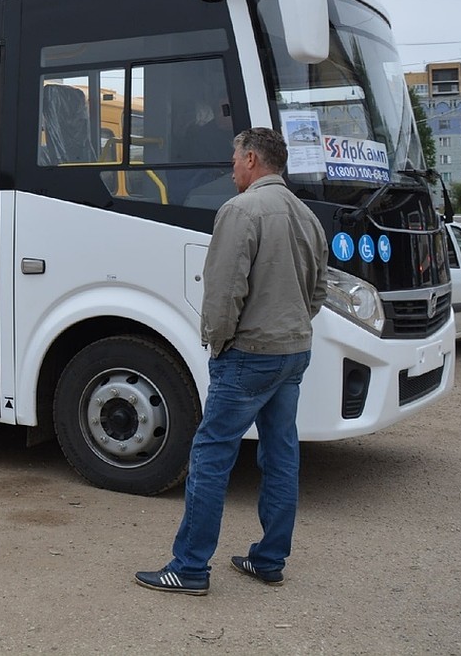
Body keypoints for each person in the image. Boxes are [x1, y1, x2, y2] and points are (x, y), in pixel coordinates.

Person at [134, 128, 328, 595]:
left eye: (235, 158)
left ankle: (191, 567)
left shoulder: (240, 211)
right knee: (281, 455)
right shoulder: (308, 216)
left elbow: (223, 292)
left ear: (254, 160)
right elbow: (319, 292)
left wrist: (216, 344)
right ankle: (269, 560)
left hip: (248, 354)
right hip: (293, 351)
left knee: (210, 454)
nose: (232, 167)